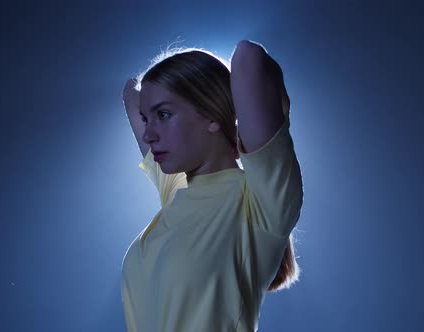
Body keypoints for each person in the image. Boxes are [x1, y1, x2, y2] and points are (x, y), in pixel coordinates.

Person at [120, 40, 304, 331]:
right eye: (147, 119)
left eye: (163, 115)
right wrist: (166, 93)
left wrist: (221, 99)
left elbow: (248, 58)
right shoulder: (176, 191)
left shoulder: (259, 201)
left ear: (211, 116)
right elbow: (131, 93)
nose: (149, 134)